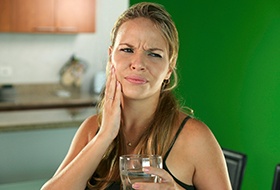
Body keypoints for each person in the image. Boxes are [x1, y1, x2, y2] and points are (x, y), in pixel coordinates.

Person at [41, 2, 232, 190]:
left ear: (169, 69)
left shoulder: (194, 138)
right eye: (127, 50)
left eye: (154, 54)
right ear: (111, 58)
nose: (138, 63)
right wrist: (106, 135)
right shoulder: (92, 130)